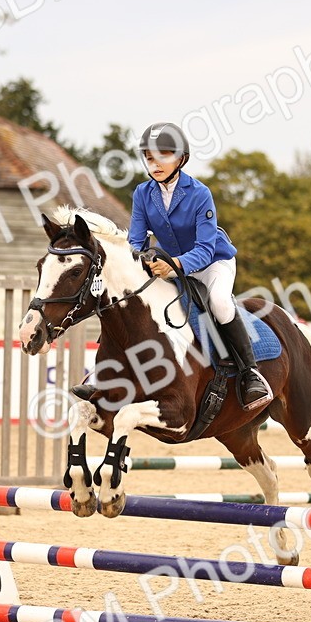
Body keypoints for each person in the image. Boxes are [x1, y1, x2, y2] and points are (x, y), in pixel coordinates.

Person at [128, 121, 272, 411]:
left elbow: (205, 249)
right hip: (171, 265)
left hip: (212, 261)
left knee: (219, 302)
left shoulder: (199, 193)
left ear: (181, 158)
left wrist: (175, 265)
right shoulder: (142, 194)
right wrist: (148, 259)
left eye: (163, 156)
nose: (155, 163)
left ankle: (249, 373)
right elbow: (136, 240)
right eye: (149, 157)